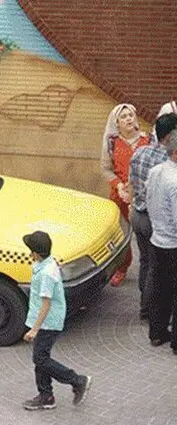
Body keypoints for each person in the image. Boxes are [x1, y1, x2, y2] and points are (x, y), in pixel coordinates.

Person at [21, 231, 92, 410]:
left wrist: (35, 329)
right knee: (41, 357)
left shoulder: (46, 274)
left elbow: (46, 303)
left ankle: (77, 380)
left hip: (47, 322)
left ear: (36, 253)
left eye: (31, 250)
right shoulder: (46, 264)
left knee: (40, 359)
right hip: (47, 320)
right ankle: (46, 395)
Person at [129, 112, 177, 328]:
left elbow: (132, 183)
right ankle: (152, 310)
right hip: (156, 221)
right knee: (158, 272)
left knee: (146, 263)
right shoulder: (166, 161)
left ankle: (145, 307)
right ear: (169, 136)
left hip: (138, 215)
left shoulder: (140, 152)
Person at [100, 103, 149, 287]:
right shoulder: (112, 143)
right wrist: (119, 186)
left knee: (147, 234)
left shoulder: (148, 140)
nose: (129, 118)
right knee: (122, 235)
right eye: (124, 116)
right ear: (117, 123)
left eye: (131, 115)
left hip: (144, 197)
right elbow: (106, 169)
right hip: (120, 196)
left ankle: (150, 270)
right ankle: (122, 267)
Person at [145, 128, 177, 355]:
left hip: (157, 239)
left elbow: (148, 199)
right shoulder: (175, 182)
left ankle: (157, 333)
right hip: (173, 244)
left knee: (160, 289)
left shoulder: (156, 171)